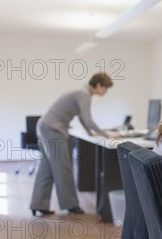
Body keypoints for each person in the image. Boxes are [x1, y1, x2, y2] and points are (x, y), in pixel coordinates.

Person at [30, 72, 116, 216]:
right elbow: (88, 119)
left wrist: (90, 133)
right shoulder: (84, 94)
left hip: (45, 126)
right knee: (63, 168)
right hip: (53, 130)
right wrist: (107, 135)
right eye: (106, 89)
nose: (106, 92)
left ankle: (38, 204)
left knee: (47, 168)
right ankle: (71, 205)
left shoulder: (81, 92)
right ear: (99, 85)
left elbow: (83, 118)